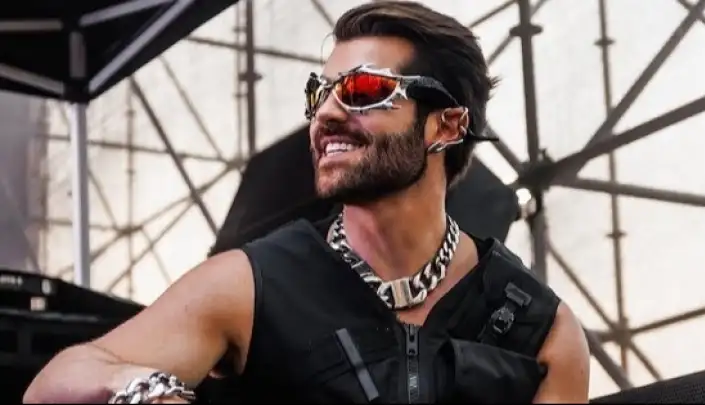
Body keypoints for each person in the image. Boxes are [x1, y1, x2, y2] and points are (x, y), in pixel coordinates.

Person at [24, 1, 590, 403]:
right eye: (319, 94)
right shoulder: (251, 284)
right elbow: (57, 382)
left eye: (363, 91)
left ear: (444, 126)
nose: (326, 114)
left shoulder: (544, 332)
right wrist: (146, 390)